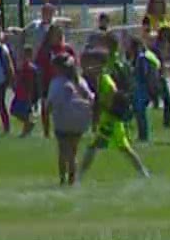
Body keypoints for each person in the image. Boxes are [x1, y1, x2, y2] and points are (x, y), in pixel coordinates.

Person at [79, 48, 150, 180]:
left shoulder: (105, 78)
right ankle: (143, 172)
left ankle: (79, 176)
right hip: (110, 119)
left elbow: (112, 91)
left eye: (92, 63)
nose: (89, 67)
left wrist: (105, 104)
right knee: (124, 148)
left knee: (93, 147)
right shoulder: (101, 78)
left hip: (109, 120)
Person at [48, 58, 93, 185]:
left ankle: (63, 178)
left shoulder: (56, 83)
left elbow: (50, 103)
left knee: (63, 150)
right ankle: (72, 179)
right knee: (73, 151)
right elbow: (90, 98)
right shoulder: (81, 82)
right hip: (79, 120)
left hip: (62, 119)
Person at [35, 23, 76, 139]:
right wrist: (39, 82)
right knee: (47, 107)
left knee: (65, 107)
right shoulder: (45, 50)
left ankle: (66, 130)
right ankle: (46, 132)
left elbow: (74, 64)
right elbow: (39, 66)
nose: (58, 37)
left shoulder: (67, 49)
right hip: (48, 82)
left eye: (60, 34)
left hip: (65, 83)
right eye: (55, 34)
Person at [11, 44, 40, 137]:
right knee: (14, 110)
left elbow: (31, 83)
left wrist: (30, 96)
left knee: (21, 111)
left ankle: (26, 130)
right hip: (19, 92)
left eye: (26, 54)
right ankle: (28, 125)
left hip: (25, 94)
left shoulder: (31, 68)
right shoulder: (22, 65)